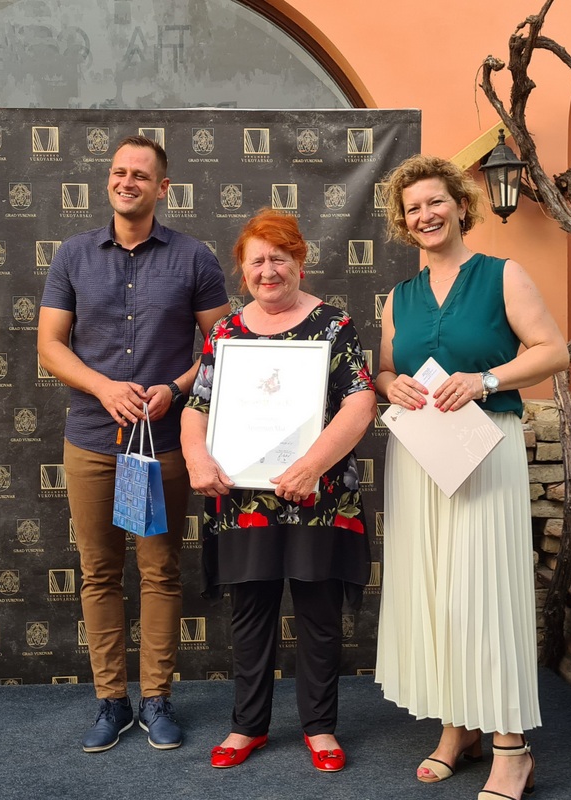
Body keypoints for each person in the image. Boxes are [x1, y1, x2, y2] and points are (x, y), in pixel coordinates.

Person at [374, 155, 569, 800]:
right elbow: (384, 369)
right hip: (420, 456)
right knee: (437, 590)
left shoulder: (502, 274)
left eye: (436, 202)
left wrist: (485, 380)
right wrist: (391, 385)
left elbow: (554, 350)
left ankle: (512, 749)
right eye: (413, 209)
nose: (426, 215)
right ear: (404, 223)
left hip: (486, 449)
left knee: (487, 590)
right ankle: (458, 728)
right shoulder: (398, 297)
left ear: (461, 205)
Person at [37, 135, 230, 753]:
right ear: (109, 181)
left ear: (162, 188)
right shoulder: (73, 255)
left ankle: (156, 699)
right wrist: (103, 387)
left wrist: (174, 389)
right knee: (98, 573)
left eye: (141, 175)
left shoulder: (194, 258)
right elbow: (49, 345)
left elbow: (222, 347)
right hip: (92, 440)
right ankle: (111, 701)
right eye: (119, 172)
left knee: (160, 572)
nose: (128, 182)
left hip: (165, 443)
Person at [180, 208, 376, 773]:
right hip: (243, 499)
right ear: (243, 272)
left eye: (279, 259)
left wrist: (310, 466)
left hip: (318, 495)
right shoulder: (226, 332)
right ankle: (247, 726)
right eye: (257, 261)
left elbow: (360, 401)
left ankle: (320, 728)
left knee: (318, 614)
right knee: (250, 614)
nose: (268, 271)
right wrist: (196, 457)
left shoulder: (333, 325)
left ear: (300, 263)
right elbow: (198, 406)